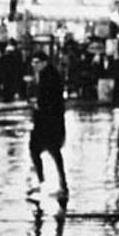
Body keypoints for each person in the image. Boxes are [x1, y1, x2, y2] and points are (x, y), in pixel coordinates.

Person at [27, 54, 68, 194]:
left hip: (48, 121)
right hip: (50, 121)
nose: (34, 65)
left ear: (44, 62)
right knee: (51, 152)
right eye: (33, 62)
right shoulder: (47, 73)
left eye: (37, 62)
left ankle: (45, 182)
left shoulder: (48, 76)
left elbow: (49, 99)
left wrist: (38, 106)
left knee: (38, 150)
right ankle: (59, 183)